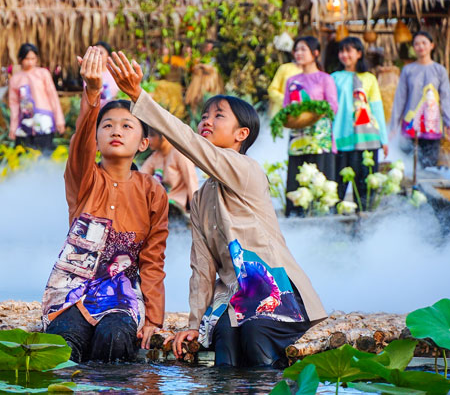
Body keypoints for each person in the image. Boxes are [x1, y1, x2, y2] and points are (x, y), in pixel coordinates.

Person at [107, 51, 326, 368]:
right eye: (205, 115)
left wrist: (139, 96)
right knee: (224, 340)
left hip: (274, 288)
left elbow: (191, 144)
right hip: (233, 298)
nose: (206, 120)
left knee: (255, 336)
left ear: (241, 135)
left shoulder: (246, 169)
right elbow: (202, 267)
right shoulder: (200, 198)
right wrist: (194, 324)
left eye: (218, 115)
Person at [42, 47, 168, 363]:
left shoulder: (152, 191)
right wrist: (93, 93)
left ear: (143, 143)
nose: (115, 130)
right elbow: (80, 143)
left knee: (116, 338)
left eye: (127, 126)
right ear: (97, 138)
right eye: (107, 125)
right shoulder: (83, 178)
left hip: (121, 296)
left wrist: (154, 317)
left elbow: (153, 259)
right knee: (66, 342)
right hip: (69, 294)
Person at [283, 36, 338, 217]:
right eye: (296, 50)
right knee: (297, 179)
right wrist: (297, 116)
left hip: (319, 138)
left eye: (303, 49)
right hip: (297, 137)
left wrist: (313, 113)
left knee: (319, 180)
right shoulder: (291, 81)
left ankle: (323, 219)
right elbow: (285, 110)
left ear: (315, 53)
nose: (298, 53)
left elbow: (333, 106)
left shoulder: (325, 79)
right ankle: (295, 218)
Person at [331, 37, 389, 207]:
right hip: (340, 139)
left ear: (359, 53)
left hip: (367, 139)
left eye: (349, 51)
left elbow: (377, 109)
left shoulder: (369, 78)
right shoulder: (334, 78)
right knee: (336, 189)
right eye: (341, 51)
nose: (344, 55)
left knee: (365, 190)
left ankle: (364, 227)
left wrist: (383, 140)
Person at [390, 31, 450, 169]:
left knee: (429, 164)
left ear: (432, 45)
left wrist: (449, 123)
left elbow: (446, 98)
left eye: (424, 43)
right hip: (411, 122)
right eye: (416, 44)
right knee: (408, 162)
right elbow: (400, 98)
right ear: (413, 48)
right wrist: (394, 125)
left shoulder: (439, 70)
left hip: (432, 123)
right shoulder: (408, 70)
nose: (420, 47)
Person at [8, 43, 65, 152]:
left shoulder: (43, 74)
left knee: (44, 154)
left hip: (43, 121)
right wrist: (13, 127)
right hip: (25, 122)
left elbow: (53, 97)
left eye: (33, 58)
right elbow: (14, 105)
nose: (30, 62)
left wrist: (59, 120)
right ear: (20, 59)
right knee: (24, 155)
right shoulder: (15, 79)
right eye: (27, 59)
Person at [140, 127, 199, 215]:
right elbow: (140, 179)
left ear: (163, 136)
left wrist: (197, 213)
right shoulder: (155, 156)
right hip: (158, 205)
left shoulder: (179, 154)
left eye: (152, 135)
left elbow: (191, 182)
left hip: (176, 208)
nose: (148, 139)